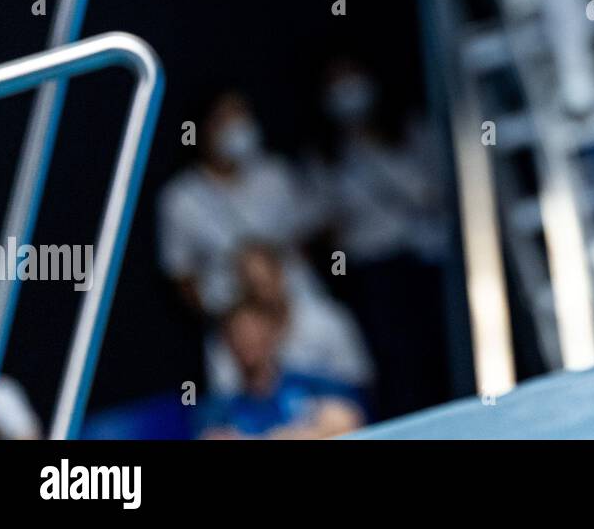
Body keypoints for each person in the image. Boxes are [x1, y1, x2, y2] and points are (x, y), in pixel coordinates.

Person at [156, 89, 355, 393]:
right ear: (201, 129)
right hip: (233, 316)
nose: (237, 126)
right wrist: (237, 321)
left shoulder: (274, 174)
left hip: (297, 300)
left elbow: (305, 236)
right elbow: (182, 276)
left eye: (241, 115)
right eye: (224, 120)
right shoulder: (181, 198)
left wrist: (278, 295)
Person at [308, 58, 452, 415]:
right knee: (396, 357)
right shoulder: (327, 157)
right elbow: (325, 229)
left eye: (351, 79)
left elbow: (436, 191)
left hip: (422, 255)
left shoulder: (408, 131)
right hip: (373, 270)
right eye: (336, 84)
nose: (347, 92)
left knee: (439, 343)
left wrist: (378, 158)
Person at [206, 243, 374, 400]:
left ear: (280, 274)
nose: (263, 293)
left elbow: (357, 379)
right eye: (253, 285)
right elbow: (226, 401)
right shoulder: (231, 337)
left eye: (265, 281)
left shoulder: (325, 319)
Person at [198, 301, 364, 440]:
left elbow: (347, 420)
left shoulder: (312, 384)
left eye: (253, 334)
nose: (246, 342)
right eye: (238, 335)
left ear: (272, 335)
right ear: (227, 344)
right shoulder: (220, 409)